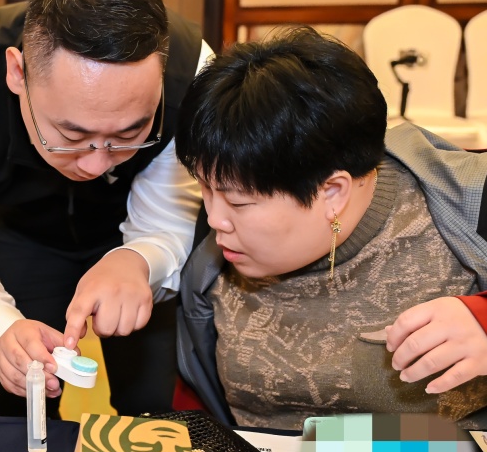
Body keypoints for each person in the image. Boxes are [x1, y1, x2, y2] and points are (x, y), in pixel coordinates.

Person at [0, 0, 213, 417]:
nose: (96, 163)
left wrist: (139, 260)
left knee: (155, 404)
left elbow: (170, 217)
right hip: (19, 233)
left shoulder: (193, 74)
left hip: (133, 228)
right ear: (17, 73)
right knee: (21, 405)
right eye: (70, 135)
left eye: (129, 134)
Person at [175, 26, 487, 430]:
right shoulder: (212, 256)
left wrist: (482, 319)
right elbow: (195, 405)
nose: (215, 219)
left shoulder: (464, 203)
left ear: (333, 192)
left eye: (238, 202)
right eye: (206, 189)